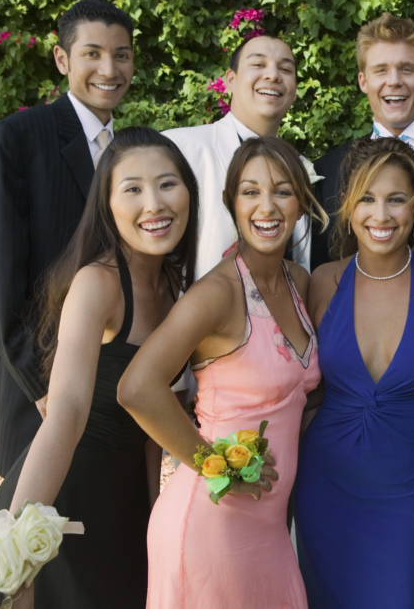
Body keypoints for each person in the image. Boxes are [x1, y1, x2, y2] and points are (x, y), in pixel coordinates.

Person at [0, 127, 199, 609]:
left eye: (168, 184)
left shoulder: (177, 289)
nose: (155, 204)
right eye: (132, 189)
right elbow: (64, 410)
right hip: (61, 502)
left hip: (124, 507)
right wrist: (17, 544)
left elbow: (154, 425)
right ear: (107, 205)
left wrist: (151, 519)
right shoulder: (98, 283)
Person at [117, 136, 327, 609]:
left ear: (302, 201)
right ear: (232, 202)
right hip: (212, 524)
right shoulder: (218, 292)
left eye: (282, 190)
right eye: (250, 191)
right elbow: (137, 387)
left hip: (270, 530)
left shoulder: (300, 281)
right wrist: (225, 470)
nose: (266, 206)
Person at [0, 0, 135, 476]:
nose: (109, 68)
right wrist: (45, 384)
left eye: (122, 54)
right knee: (33, 534)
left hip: (114, 380)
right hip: (38, 382)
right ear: (63, 59)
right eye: (93, 53)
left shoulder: (133, 150)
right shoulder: (16, 138)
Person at [295, 137, 414, 608]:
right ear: (347, 205)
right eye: (366, 198)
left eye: (396, 199)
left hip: (411, 492)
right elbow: (294, 382)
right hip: (325, 485)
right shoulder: (324, 280)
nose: (380, 215)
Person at [310, 12, 414, 267]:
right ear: (363, 81)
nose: (394, 81)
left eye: (406, 69)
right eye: (381, 70)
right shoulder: (327, 171)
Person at [164, 33, 311, 277]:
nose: (273, 75)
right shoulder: (178, 148)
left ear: (294, 90)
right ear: (230, 80)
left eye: (285, 69)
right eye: (258, 64)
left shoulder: (302, 167)